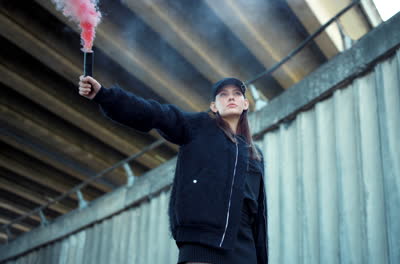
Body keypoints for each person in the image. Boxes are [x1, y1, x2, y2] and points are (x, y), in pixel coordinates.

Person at [78, 76, 269, 264]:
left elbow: (259, 217)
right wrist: (104, 95)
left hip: (245, 250)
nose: (231, 97)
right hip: (201, 243)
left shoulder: (254, 155)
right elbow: (156, 113)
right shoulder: (199, 127)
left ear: (245, 104)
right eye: (223, 94)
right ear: (213, 106)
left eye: (236, 94)